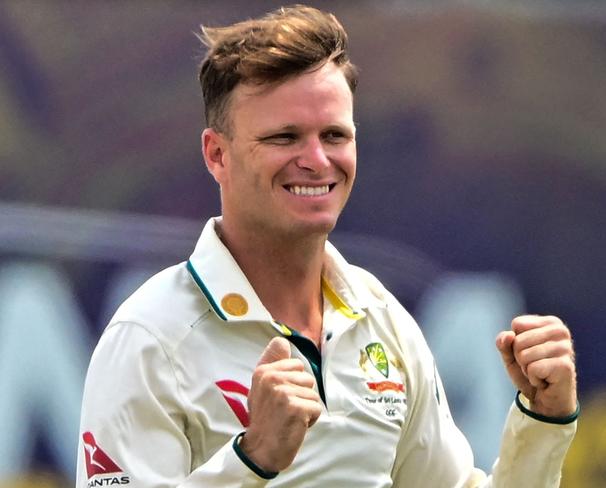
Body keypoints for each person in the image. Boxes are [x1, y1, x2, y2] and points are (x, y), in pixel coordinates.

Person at [76, 5, 578, 487]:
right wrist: (252, 460)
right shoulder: (148, 339)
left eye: (335, 134)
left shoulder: (380, 318)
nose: (316, 160)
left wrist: (543, 422)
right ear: (217, 154)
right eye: (284, 137)